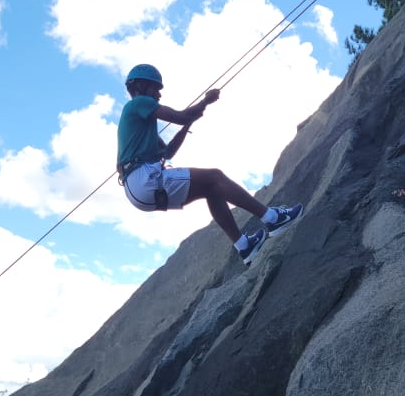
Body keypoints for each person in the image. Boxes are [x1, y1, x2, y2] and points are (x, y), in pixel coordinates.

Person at [117, 64, 303, 265]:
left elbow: (168, 152)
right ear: (141, 86)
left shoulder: (142, 128)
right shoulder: (138, 103)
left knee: (212, 189)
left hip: (137, 189)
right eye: (156, 88)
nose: (159, 95)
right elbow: (181, 116)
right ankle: (273, 219)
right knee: (215, 176)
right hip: (144, 179)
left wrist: (188, 123)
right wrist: (206, 101)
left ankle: (244, 246)